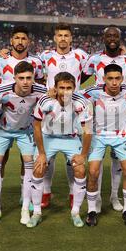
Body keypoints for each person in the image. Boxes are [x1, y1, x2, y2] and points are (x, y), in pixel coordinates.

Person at [81, 25, 126, 214]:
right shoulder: (94, 59)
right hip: (99, 113)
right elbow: (80, 80)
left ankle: (114, 197)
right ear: (103, 38)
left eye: (115, 36)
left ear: (120, 38)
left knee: (120, 162)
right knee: (95, 165)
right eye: (108, 35)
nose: (112, 38)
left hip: (121, 112)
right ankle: (98, 198)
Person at [0, 25, 43, 213]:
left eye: (23, 38)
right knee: (1, 158)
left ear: (29, 42)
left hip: (26, 117)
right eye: (16, 38)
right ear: (11, 41)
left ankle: (24, 195)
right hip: (4, 116)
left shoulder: (36, 61)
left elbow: (40, 85)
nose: (20, 41)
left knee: (26, 158)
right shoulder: (1, 60)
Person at [0, 61, 46, 225]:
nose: (25, 82)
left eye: (29, 78)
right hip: (1, 131)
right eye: (21, 78)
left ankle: (25, 208)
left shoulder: (41, 91)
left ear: (33, 78)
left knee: (29, 165)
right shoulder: (1, 92)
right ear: (14, 78)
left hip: (26, 132)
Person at [28, 72, 93, 228]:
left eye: (69, 88)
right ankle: (36, 212)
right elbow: (36, 127)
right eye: (61, 88)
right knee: (38, 168)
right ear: (55, 88)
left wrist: (83, 155)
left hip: (71, 139)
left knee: (80, 170)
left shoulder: (82, 103)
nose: (65, 91)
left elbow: (88, 130)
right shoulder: (45, 100)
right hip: (48, 138)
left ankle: (75, 212)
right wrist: (42, 154)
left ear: (74, 88)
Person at [39, 23, 89, 209]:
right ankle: (45, 192)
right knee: (48, 157)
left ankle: (71, 192)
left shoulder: (81, 55)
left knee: (73, 158)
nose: (63, 38)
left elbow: (94, 68)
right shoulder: (45, 56)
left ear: (71, 38)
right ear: (54, 37)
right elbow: (30, 69)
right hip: (51, 109)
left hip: (73, 110)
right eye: (59, 35)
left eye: (66, 35)